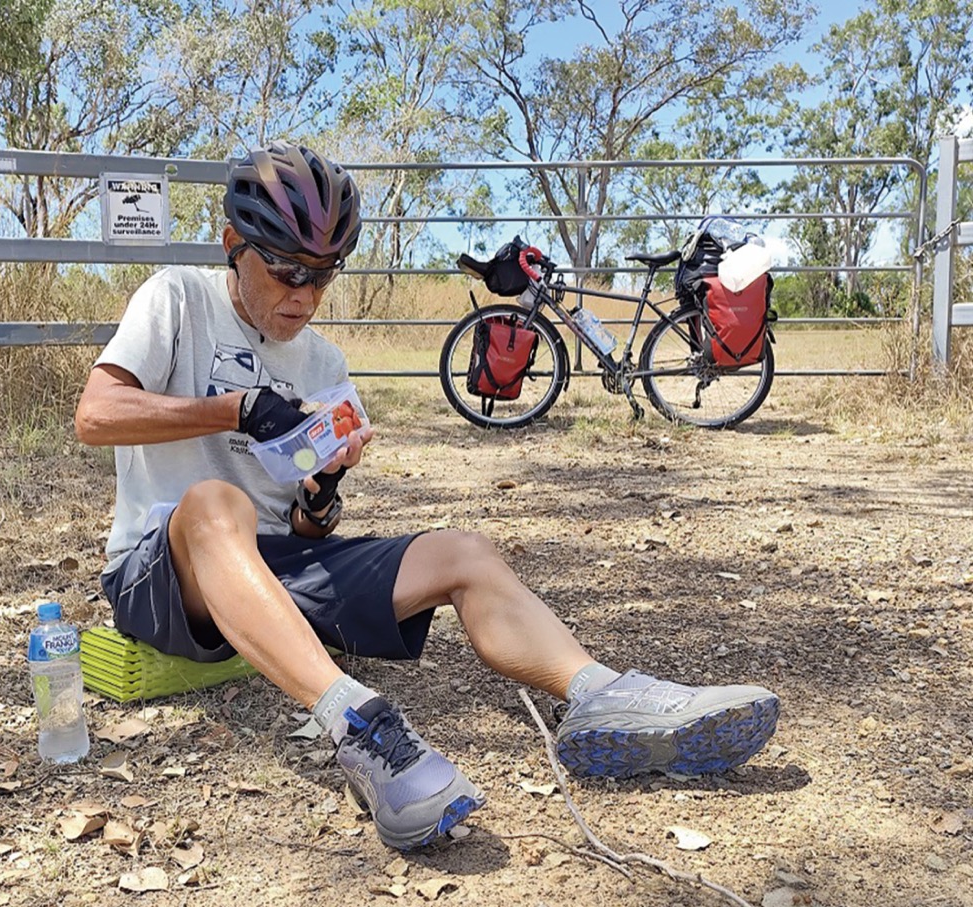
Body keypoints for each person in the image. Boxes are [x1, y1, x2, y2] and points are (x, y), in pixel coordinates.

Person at [75, 141, 781, 852]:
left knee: (463, 551)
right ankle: (356, 723)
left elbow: (305, 531)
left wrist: (321, 496)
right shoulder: (177, 297)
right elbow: (95, 414)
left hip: (267, 567)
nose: (305, 296)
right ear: (234, 246)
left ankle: (602, 693)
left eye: (324, 275)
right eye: (287, 271)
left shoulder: (322, 363)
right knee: (214, 502)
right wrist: (236, 409)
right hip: (158, 573)